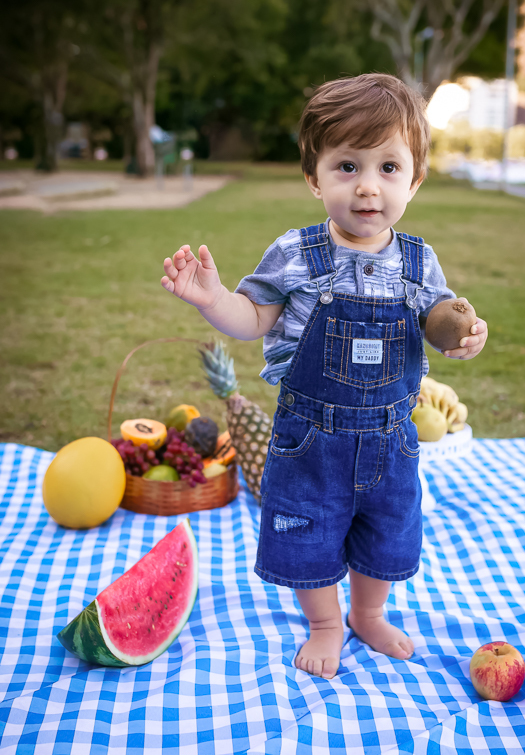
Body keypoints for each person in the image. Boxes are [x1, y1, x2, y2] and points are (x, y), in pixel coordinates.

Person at [161, 73, 488, 680]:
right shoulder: (295, 253)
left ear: (414, 180)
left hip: (392, 439)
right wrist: (212, 300)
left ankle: (367, 611)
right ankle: (325, 622)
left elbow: (438, 315)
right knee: (308, 533)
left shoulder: (419, 261)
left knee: (386, 533)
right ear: (315, 177)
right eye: (347, 167)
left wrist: (458, 330)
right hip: (311, 438)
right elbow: (252, 318)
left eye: (388, 168)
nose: (368, 187)